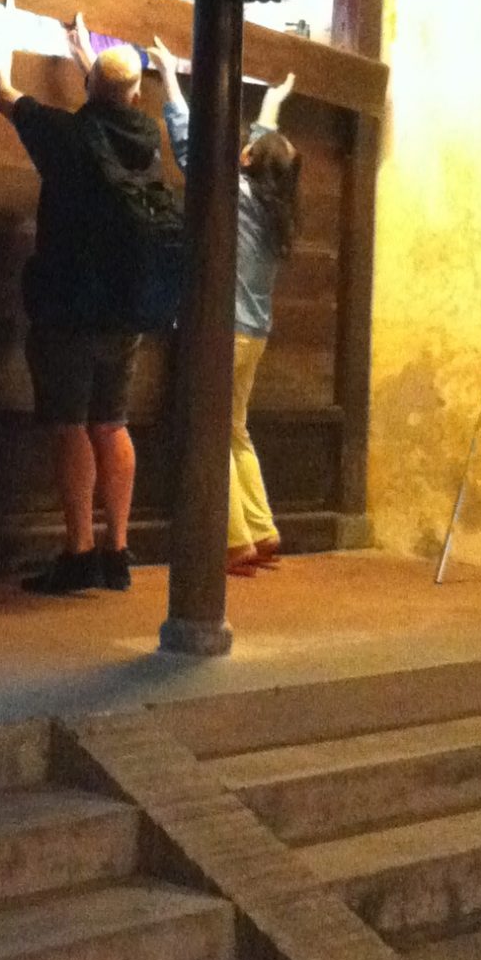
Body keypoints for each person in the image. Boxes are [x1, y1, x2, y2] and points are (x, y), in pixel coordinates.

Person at [0, 0, 177, 594]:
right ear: (138, 97)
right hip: (127, 311)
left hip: (67, 310)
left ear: (90, 87)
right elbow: (114, 99)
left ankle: (78, 553)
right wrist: (87, 55)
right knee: (111, 424)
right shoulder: (149, 144)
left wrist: (6, 24)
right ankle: (116, 552)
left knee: (69, 425)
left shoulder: (64, 135)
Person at [152, 37, 301, 575]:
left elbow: (190, 147)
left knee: (211, 432)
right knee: (236, 429)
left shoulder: (233, 193)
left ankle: (234, 540)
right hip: (254, 334)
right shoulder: (275, 206)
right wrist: (272, 103)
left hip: (222, 331)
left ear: (247, 161)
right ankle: (262, 529)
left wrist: (169, 77)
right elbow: (264, 147)